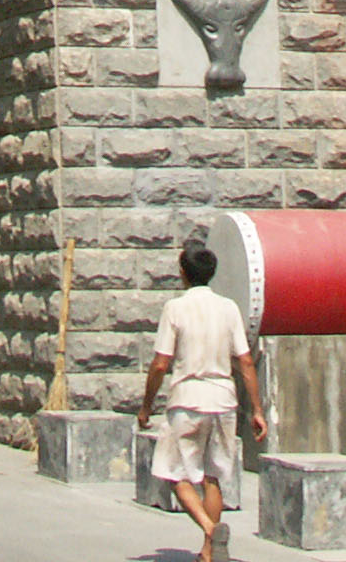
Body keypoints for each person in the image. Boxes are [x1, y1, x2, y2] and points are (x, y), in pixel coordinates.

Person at [136, 241, 269, 562]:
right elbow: (246, 361)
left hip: (188, 401)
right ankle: (209, 555)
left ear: (183, 273)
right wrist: (257, 410)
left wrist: (146, 406)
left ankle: (210, 531)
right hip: (224, 401)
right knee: (212, 477)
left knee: (175, 475)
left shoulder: (176, 308)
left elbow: (160, 363)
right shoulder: (228, 308)